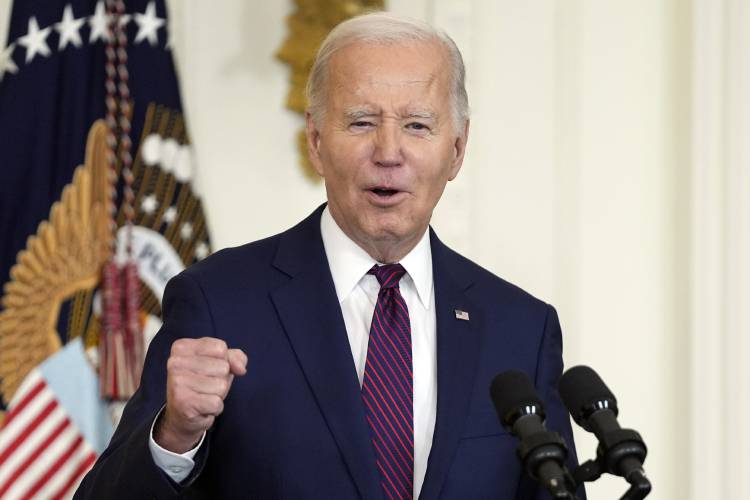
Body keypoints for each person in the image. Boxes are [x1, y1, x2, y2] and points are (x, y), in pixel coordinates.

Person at [75, 12, 584, 500]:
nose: (389, 151)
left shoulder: (521, 330)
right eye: (361, 122)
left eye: (417, 126)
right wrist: (175, 436)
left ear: (456, 149)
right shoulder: (218, 301)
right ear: (316, 140)